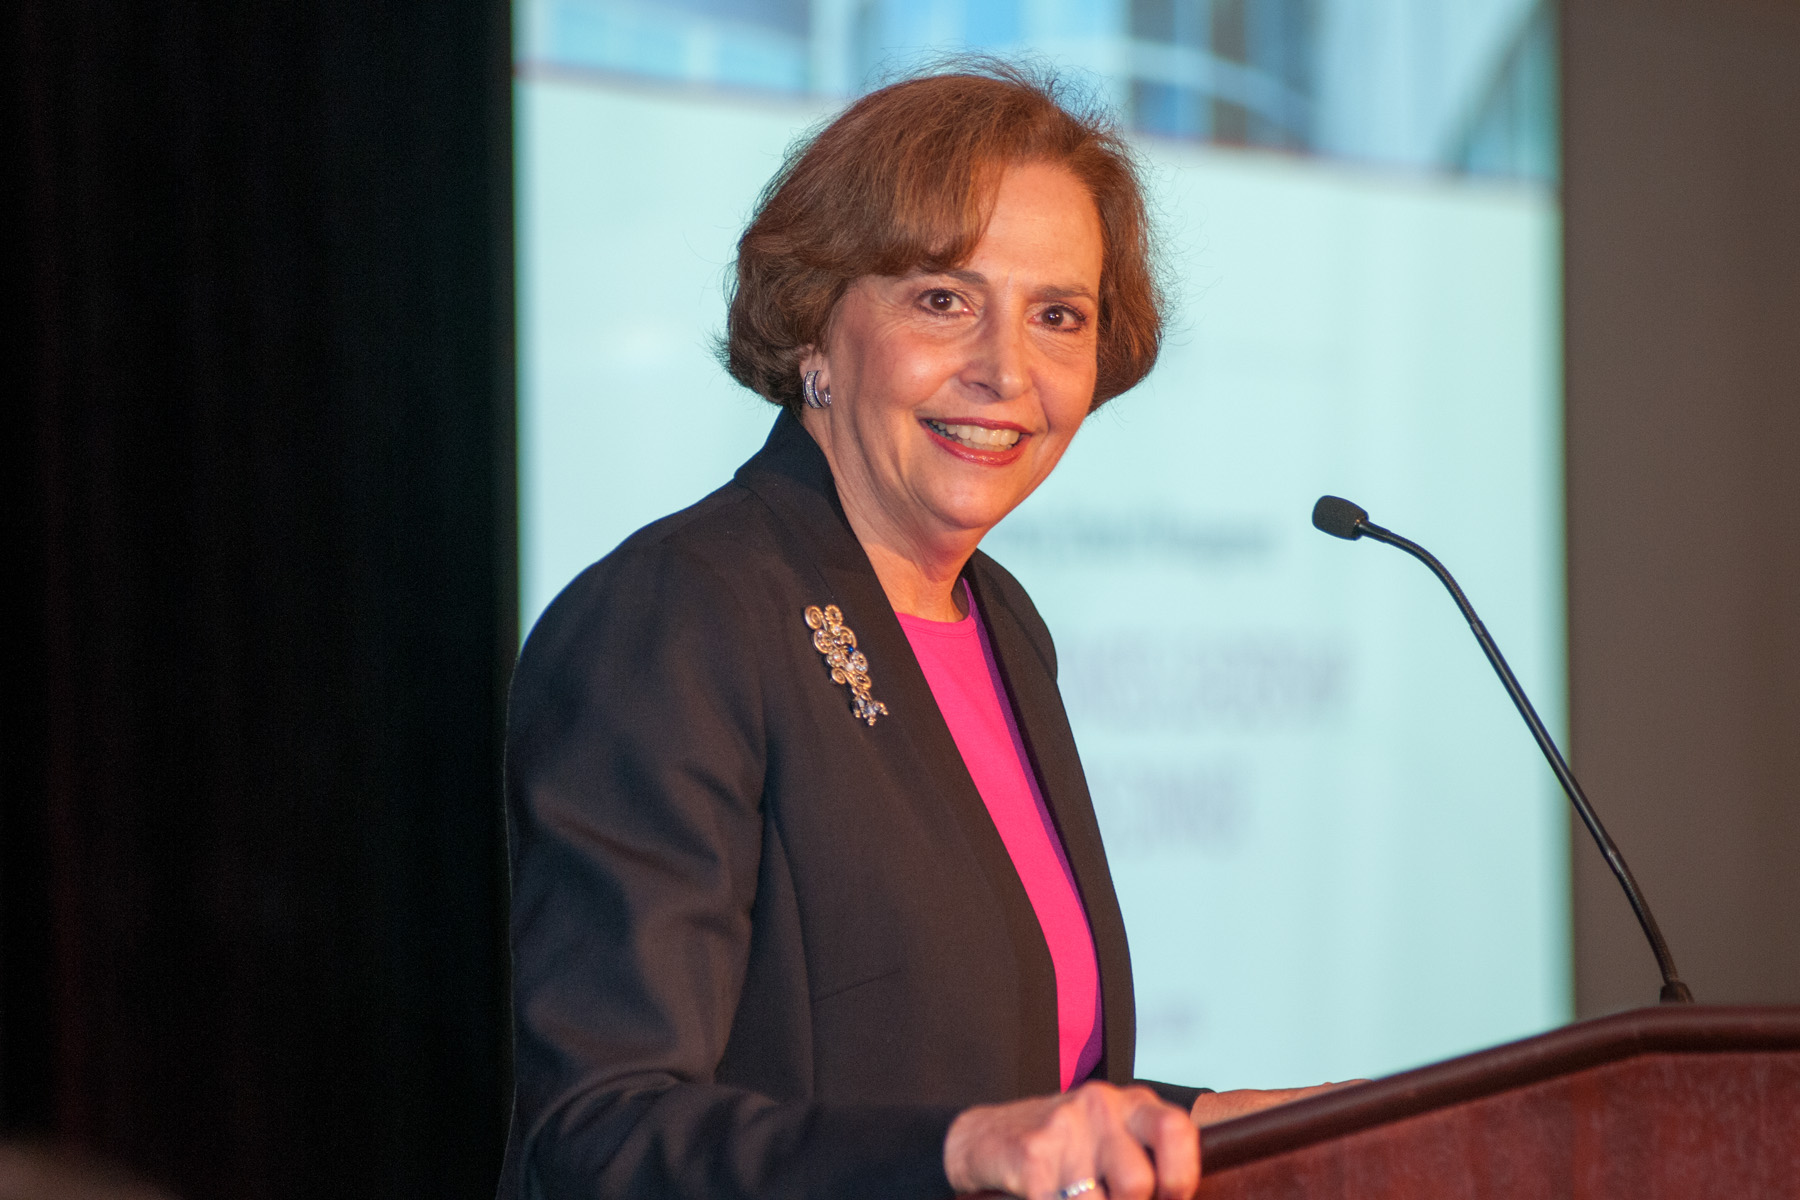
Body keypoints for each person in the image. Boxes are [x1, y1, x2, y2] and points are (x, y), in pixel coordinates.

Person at [497, 64, 1337, 1200]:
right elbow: (601, 1134)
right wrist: (959, 1156)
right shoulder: (679, 615)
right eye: (944, 300)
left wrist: (1228, 1124)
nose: (1006, 371)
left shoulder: (1002, 622)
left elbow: (999, 1079)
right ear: (817, 328)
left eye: (1058, 316)